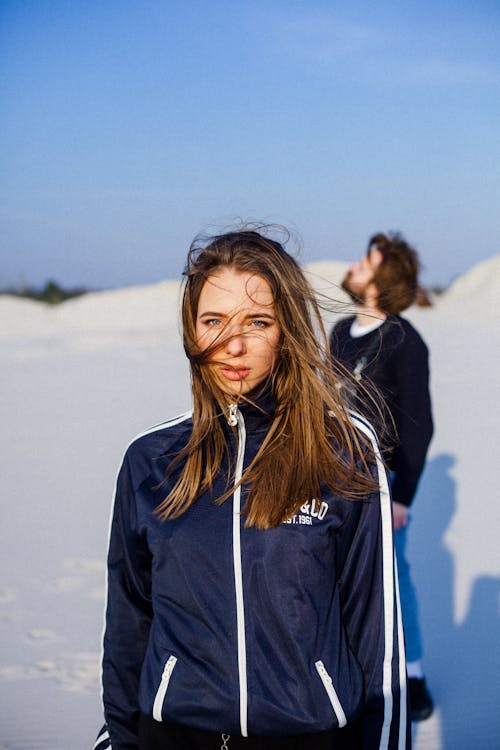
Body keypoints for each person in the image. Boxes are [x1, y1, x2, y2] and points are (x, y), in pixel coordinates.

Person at [95, 228, 409, 750]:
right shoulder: (150, 461)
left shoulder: (344, 450)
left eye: (257, 323)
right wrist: (118, 739)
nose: (232, 345)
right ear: (191, 331)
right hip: (173, 734)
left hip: (306, 736)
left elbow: (377, 636)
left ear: (286, 329)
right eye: (213, 321)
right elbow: (129, 624)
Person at [329, 232, 434, 722]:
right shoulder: (339, 333)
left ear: (381, 279)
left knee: (395, 577)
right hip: (333, 477)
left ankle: (412, 676)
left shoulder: (405, 340)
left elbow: (420, 423)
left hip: (382, 482)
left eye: (365, 261)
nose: (354, 265)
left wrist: (403, 496)